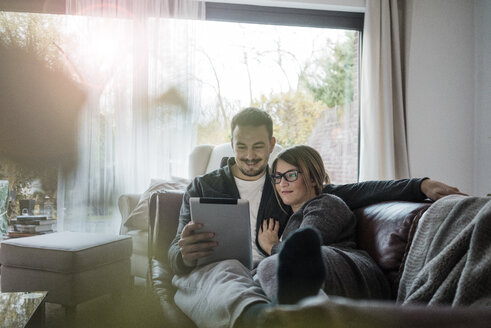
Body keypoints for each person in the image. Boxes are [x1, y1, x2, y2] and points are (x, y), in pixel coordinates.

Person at [168, 107, 464, 328]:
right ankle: (260, 319)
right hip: (231, 273)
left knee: (268, 271)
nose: (249, 155)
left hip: (278, 272)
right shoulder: (204, 186)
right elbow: (173, 252)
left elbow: (359, 191)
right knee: (223, 271)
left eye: (258, 147)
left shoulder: (284, 185)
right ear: (231, 144)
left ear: (271, 145)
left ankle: (277, 315)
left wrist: (419, 185)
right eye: (242, 146)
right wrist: (183, 253)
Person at [255, 145, 390, 307]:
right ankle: (257, 312)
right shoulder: (290, 218)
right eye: (277, 177)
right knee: (230, 269)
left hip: (352, 272)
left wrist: (271, 246)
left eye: (291, 175)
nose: (282, 183)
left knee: (270, 266)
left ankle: (308, 315)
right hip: (316, 278)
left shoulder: (326, 203)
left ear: (312, 179)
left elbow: (303, 250)